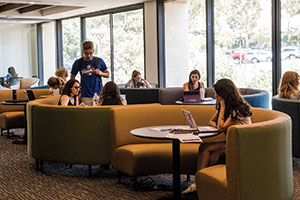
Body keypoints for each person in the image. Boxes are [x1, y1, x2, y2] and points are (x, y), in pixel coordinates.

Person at [182, 78, 252, 194]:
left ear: (224, 94)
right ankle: (198, 183)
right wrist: (221, 113)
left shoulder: (238, 109)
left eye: (217, 93)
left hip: (241, 144)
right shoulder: (226, 106)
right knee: (203, 147)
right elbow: (211, 122)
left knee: (213, 156)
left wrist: (223, 106)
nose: (215, 96)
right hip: (230, 141)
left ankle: (202, 186)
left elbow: (220, 127)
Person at [71, 41, 109, 106]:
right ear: (83, 51)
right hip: (85, 95)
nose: (89, 56)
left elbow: (107, 74)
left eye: (91, 53)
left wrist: (100, 73)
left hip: (98, 94)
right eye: (86, 53)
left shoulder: (99, 61)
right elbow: (72, 78)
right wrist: (76, 92)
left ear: (93, 50)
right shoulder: (78, 62)